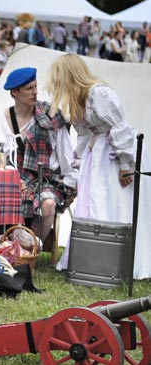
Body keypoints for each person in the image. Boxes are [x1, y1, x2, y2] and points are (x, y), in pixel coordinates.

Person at [47, 54, 151, 280]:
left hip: (115, 154)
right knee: (95, 203)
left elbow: (119, 127)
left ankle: (123, 262)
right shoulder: (77, 101)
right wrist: (76, 175)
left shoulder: (99, 93)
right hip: (96, 157)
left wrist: (126, 165)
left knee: (116, 204)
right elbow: (83, 137)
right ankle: (95, 259)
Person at [0, 67, 77, 241]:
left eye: (36, 87)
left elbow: (65, 152)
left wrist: (72, 183)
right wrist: (13, 178)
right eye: (30, 88)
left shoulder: (49, 115)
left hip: (46, 180)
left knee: (49, 204)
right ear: (15, 92)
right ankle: (0, 244)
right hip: (15, 178)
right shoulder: (3, 118)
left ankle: (35, 247)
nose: (35, 92)